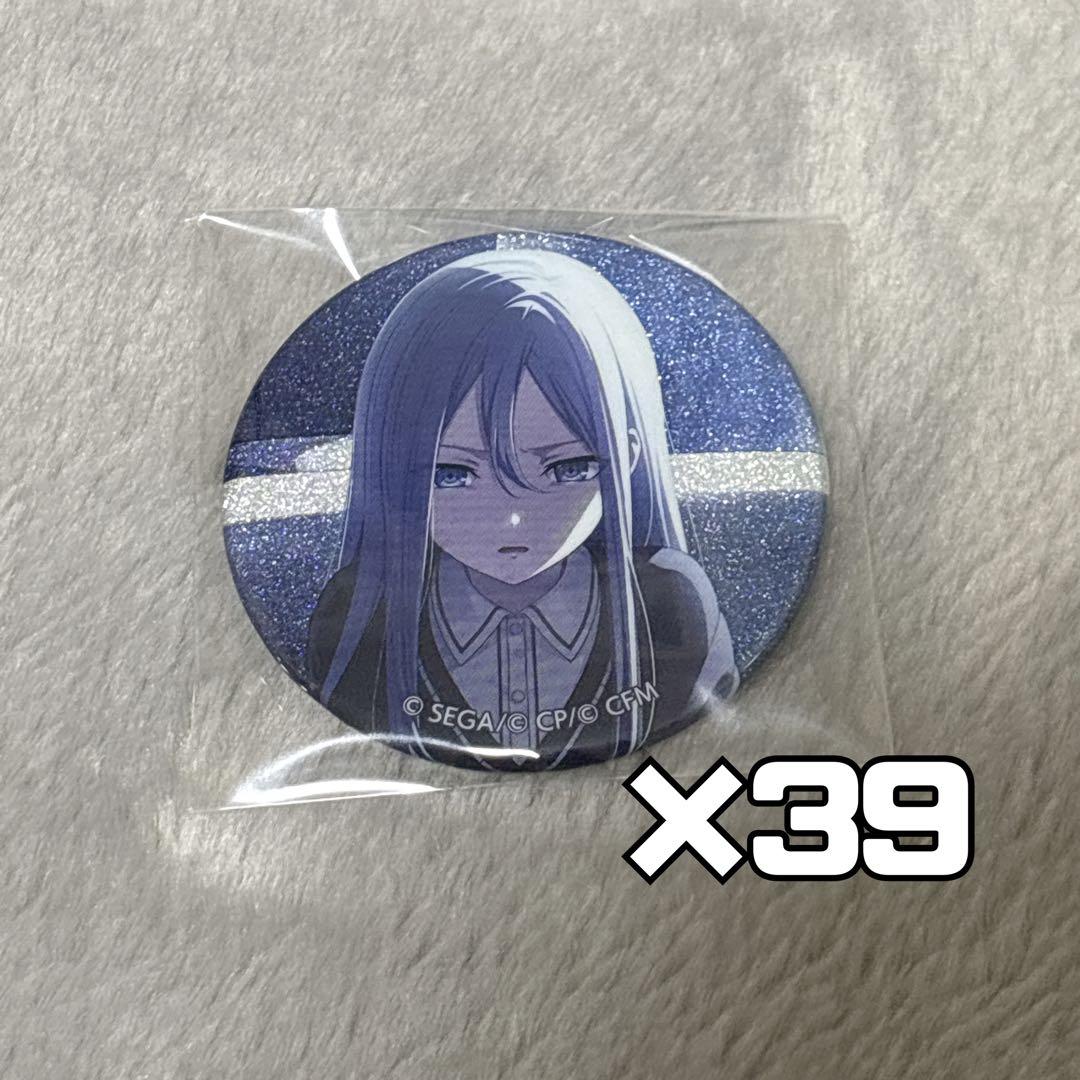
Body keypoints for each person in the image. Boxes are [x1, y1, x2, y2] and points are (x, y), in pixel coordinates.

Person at [308, 248, 737, 770]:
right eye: (452, 474)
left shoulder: (669, 601)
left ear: (626, 457)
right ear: (393, 466)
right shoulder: (360, 614)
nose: (512, 518)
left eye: (566, 469)